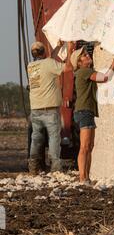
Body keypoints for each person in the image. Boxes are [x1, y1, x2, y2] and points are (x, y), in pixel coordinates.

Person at [70, 46, 114, 184]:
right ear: (79, 62)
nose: (87, 55)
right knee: (85, 147)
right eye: (83, 55)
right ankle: (83, 178)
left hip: (84, 112)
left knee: (89, 146)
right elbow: (105, 77)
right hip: (85, 111)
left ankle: (86, 177)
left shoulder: (81, 72)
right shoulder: (84, 71)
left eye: (86, 53)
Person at [27, 40, 73, 174]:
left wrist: (58, 46)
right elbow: (68, 68)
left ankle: (33, 167)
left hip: (35, 108)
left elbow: (48, 61)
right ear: (44, 52)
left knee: (36, 138)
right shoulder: (49, 64)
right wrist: (69, 50)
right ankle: (55, 168)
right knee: (54, 138)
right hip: (50, 109)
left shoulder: (31, 66)